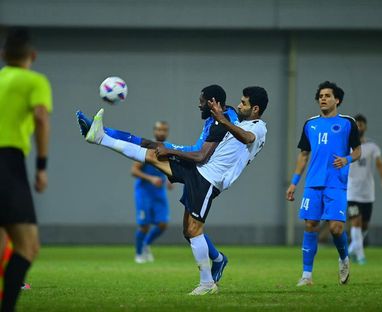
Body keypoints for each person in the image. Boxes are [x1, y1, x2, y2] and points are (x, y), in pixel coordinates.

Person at [79, 86, 268, 295]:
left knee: (193, 230)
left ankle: (207, 283)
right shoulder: (237, 120)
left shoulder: (258, 127)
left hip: (209, 179)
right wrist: (221, 116)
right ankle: (100, 137)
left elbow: (245, 139)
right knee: (153, 156)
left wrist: (222, 119)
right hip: (199, 170)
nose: (240, 105)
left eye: (244, 103)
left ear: (256, 109)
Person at [286, 81, 361, 286]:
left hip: (336, 183)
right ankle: (306, 276)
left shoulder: (347, 123)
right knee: (310, 225)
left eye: (327, 95)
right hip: (313, 183)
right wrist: (294, 183)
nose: (323, 99)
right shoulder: (310, 124)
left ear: (337, 100)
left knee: (336, 228)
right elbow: (303, 155)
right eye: (320, 96)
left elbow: (357, 151)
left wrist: (347, 159)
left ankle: (344, 258)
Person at [0, 28, 52, 311]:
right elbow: (41, 118)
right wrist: (42, 167)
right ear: (32, 56)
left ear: (3, 55)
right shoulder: (35, 81)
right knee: (28, 247)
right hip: (7, 162)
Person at [347, 114, 382, 264]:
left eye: (361, 124)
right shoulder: (346, 145)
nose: (359, 127)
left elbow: (379, 164)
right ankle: (360, 255)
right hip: (351, 192)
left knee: (364, 226)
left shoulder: (372, 146)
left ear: (365, 127)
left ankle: (352, 249)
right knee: (355, 222)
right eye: (356, 124)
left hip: (367, 193)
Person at [132, 121, 173, 263]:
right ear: (154, 131)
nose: (161, 132)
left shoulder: (168, 148)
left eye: (164, 130)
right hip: (144, 192)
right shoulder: (147, 148)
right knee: (144, 225)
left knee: (163, 224)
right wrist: (150, 178)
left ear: (167, 132)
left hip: (159, 192)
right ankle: (139, 254)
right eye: (159, 129)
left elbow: (168, 169)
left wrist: (170, 179)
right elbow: (134, 170)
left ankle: (145, 244)